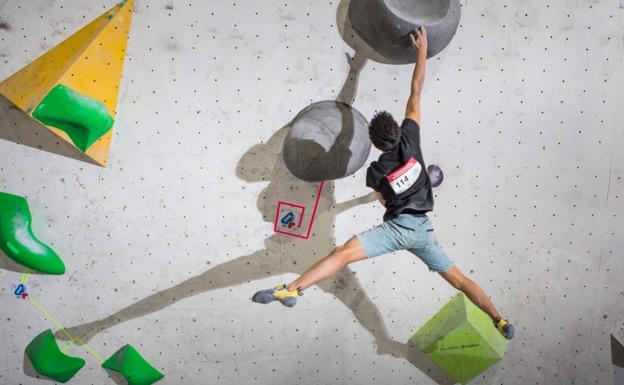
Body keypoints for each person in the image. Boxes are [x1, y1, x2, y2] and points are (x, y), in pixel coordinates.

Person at [252, 27, 515, 340]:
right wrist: (421, 50)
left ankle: (291, 289)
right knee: (458, 279)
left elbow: (382, 198)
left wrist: (354, 71)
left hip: (395, 230)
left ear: (375, 144)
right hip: (422, 232)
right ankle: (498, 320)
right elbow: (415, 91)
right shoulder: (412, 140)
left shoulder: (376, 171)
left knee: (342, 255)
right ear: (398, 131)